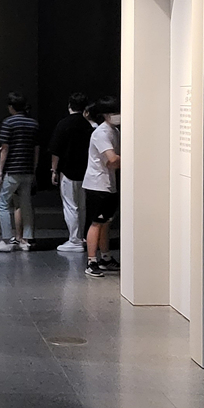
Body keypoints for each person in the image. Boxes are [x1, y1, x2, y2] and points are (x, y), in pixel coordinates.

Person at [0, 92, 40, 252]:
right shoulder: (33, 123)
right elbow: (36, 149)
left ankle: (6, 240)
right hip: (27, 170)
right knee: (26, 204)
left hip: (12, 169)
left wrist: (0, 171)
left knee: (2, 203)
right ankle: (26, 240)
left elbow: (5, 148)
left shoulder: (9, 123)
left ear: (11, 107)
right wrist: (34, 169)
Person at [49, 93, 94, 253]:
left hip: (68, 171)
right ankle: (80, 237)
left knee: (70, 206)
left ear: (70, 105)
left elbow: (56, 150)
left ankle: (74, 240)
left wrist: (54, 170)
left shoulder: (63, 124)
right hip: (85, 171)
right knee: (82, 206)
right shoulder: (88, 125)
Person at [83, 97, 122, 278]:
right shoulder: (101, 133)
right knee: (96, 222)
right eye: (114, 112)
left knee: (106, 222)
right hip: (97, 184)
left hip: (108, 183)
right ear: (105, 114)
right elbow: (112, 159)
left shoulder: (114, 131)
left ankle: (105, 257)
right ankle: (91, 260)